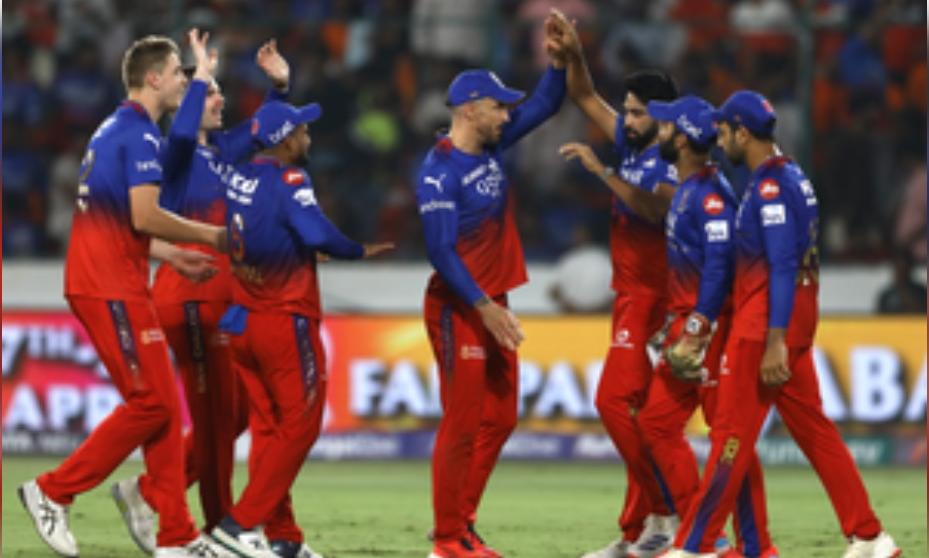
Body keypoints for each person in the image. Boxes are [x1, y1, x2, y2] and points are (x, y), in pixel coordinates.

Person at [17, 34, 234, 558]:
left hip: (115, 279)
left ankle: (177, 536)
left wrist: (171, 254)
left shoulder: (117, 128)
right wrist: (210, 236)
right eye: (178, 73)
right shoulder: (138, 136)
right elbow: (143, 215)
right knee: (152, 403)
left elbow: (121, 219)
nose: (183, 81)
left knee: (164, 408)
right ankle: (52, 490)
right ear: (154, 78)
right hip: (109, 286)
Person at [663, 90, 901, 558]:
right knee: (814, 430)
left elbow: (783, 263)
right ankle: (870, 537)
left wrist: (774, 340)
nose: (719, 140)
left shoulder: (770, 188)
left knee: (730, 437)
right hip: (792, 321)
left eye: (724, 132)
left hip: (764, 327)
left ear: (742, 133)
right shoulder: (791, 175)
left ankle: (694, 546)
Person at [110, 32, 301, 557]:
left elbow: (266, 129)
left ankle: (149, 491)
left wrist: (280, 87)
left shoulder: (219, 154)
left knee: (235, 415)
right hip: (188, 299)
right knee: (216, 423)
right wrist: (200, 75)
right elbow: (181, 131)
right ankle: (220, 530)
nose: (220, 99)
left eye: (216, 91)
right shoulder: (172, 154)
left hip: (224, 302)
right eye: (210, 93)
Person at [207, 99, 392, 558]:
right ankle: (239, 524)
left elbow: (267, 230)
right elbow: (317, 233)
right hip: (283, 320)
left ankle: (283, 536)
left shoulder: (237, 175)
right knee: (302, 426)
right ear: (286, 140)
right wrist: (356, 250)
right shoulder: (290, 180)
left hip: (242, 319)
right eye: (303, 131)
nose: (308, 138)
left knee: (270, 430)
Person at [415, 12, 568, 558]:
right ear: (470, 110)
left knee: (500, 417)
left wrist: (558, 60)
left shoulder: (494, 145)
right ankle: (447, 540)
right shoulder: (439, 172)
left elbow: (547, 104)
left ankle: (461, 521)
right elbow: (441, 251)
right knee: (462, 423)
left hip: (490, 300)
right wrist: (484, 306)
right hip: (459, 305)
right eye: (499, 106)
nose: (507, 114)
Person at [551, 12, 681, 558]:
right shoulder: (632, 149)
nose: (626, 120)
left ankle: (668, 513)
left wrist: (603, 174)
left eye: (636, 112)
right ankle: (641, 532)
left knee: (612, 402)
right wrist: (575, 53)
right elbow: (583, 96)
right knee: (639, 418)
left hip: (654, 301)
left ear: (663, 117)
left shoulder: (673, 160)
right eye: (625, 110)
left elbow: (655, 210)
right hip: (630, 297)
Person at [634, 95, 777, 558]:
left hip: (711, 330)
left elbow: (720, 263)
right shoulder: (690, 188)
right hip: (688, 326)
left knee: (728, 436)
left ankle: (753, 545)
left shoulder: (711, 195)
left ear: (683, 140)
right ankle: (709, 535)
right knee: (657, 423)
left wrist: (698, 325)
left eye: (666, 126)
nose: (658, 131)